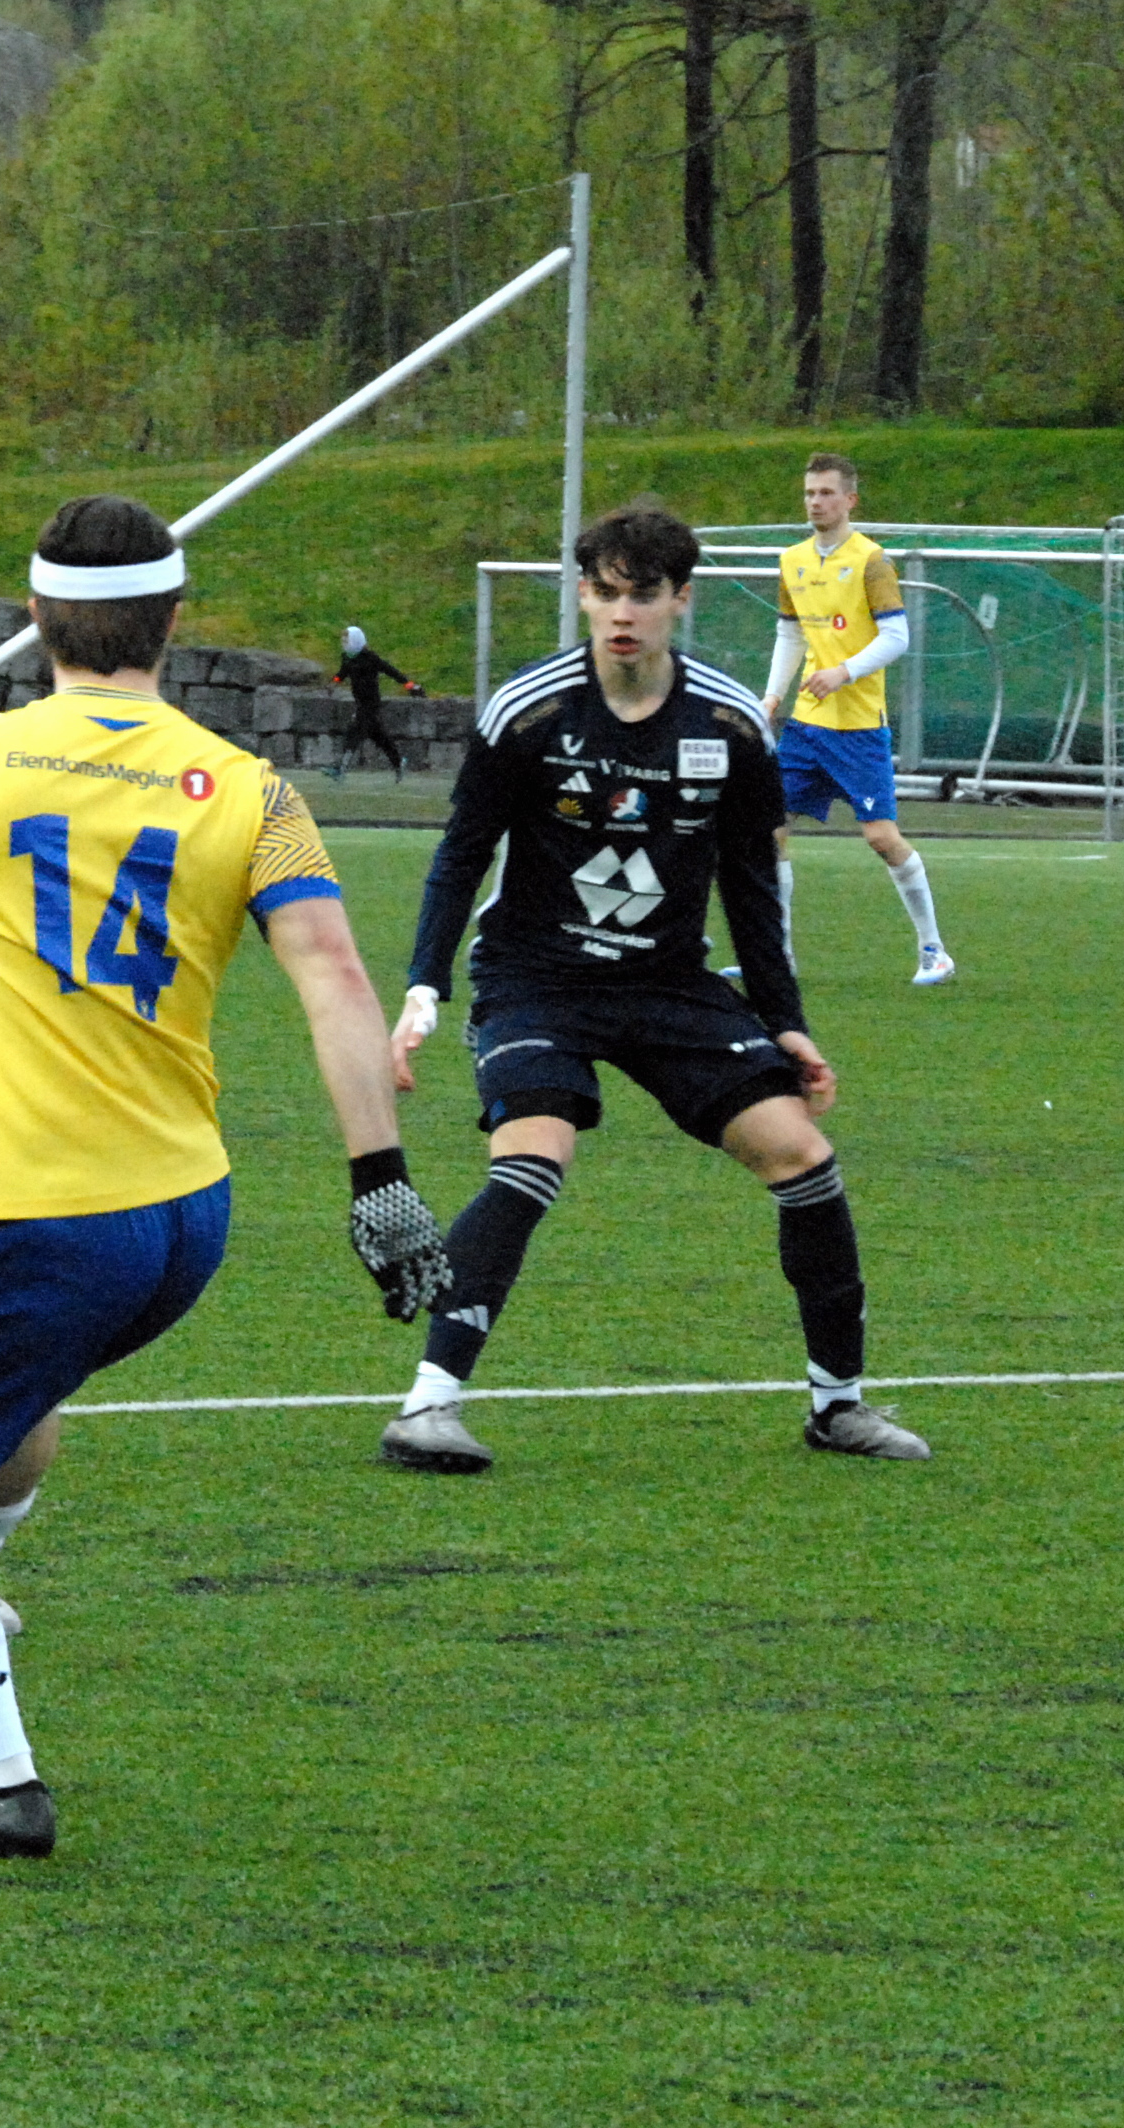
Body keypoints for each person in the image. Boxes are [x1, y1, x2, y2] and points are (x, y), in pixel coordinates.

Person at [0, 494, 453, 1859]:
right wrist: (380, 1178)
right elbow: (335, 977)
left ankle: (0, 1774)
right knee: (11, 1400)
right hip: (186, 1219)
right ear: (172, 619)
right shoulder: (250, 790)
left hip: (45, 1216)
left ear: (34, 619)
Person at [382, 498, 931, 1480]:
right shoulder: (529, 712)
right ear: (581, 597)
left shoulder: (728, 724)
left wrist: (785, 1023)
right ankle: (427, 1407)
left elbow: (750, 886)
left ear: (681, 598)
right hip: (535, 976)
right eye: (604, 593)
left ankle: (837, 1405)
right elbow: (462, 853)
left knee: (802, 1157)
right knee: (533, 1155)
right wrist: (424, 983)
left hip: (668, 981)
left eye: (642, 595)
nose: (621, 613)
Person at [763, 454, 954, 985]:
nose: (815, 502)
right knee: (767, 830)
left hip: (859, 728)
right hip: (806, 726)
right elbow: (790, 633)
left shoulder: (871, 561)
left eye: (826, 493)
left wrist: (843, 672)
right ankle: (777, 956)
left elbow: (897, 636)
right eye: (809, 493)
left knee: (881, 837)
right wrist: (772, 697)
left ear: (850, 500)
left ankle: (934, 950)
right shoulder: (793, 560)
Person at [331, 623, 419, 779]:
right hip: (360, 702)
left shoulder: (370, 658)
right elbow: (342, 673)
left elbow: (390, 670)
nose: (344, 644)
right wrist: (334, 681)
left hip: (371, 703)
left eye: (347, 640)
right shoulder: (347, 658)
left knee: (354, 731)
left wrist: (407, 683)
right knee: (380, 737)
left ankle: (341, 769)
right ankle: (398, 763)